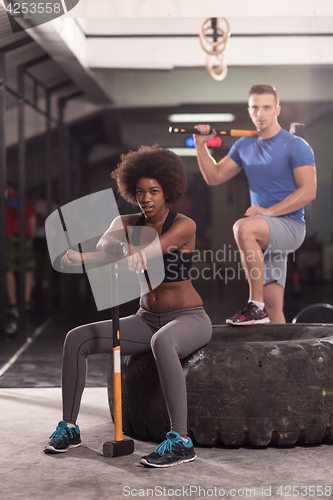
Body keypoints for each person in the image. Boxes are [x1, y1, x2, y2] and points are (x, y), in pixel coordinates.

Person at [44, 145, 212, 468]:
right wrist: (111, 249)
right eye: (139, 192)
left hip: (189, 318)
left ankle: (181, 442)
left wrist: (135, 252)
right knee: (76, 339)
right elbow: (106, 243)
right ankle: (69, 427)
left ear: (168, 191)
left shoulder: (184, 225)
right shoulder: (126, 221)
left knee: (162, 341)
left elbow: (158, 246)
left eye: (154, 191)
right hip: (146, 319)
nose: (146, 198)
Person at [194, 84, 316, 325]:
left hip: (289, 226)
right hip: (267, 234)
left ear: (277, 110)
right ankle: (282, 356)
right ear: (249, 111)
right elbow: (214, 176)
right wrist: (200, 144)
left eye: (267, 107)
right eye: (255, 108)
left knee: (243, 228)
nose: (261, 113)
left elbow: (308, 191)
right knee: (275, 308)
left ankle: (254, 306)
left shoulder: (296, 146)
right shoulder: (244, 145)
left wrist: (268, 212)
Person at [6, 182, 36, 316]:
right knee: (28, 269)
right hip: (25, 237)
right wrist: (31, 237)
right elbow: (32, 220)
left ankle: (13, 303)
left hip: (9, 237)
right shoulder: (26, 201)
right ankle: (26, 301)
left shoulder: (4, 201)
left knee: (9, 269)